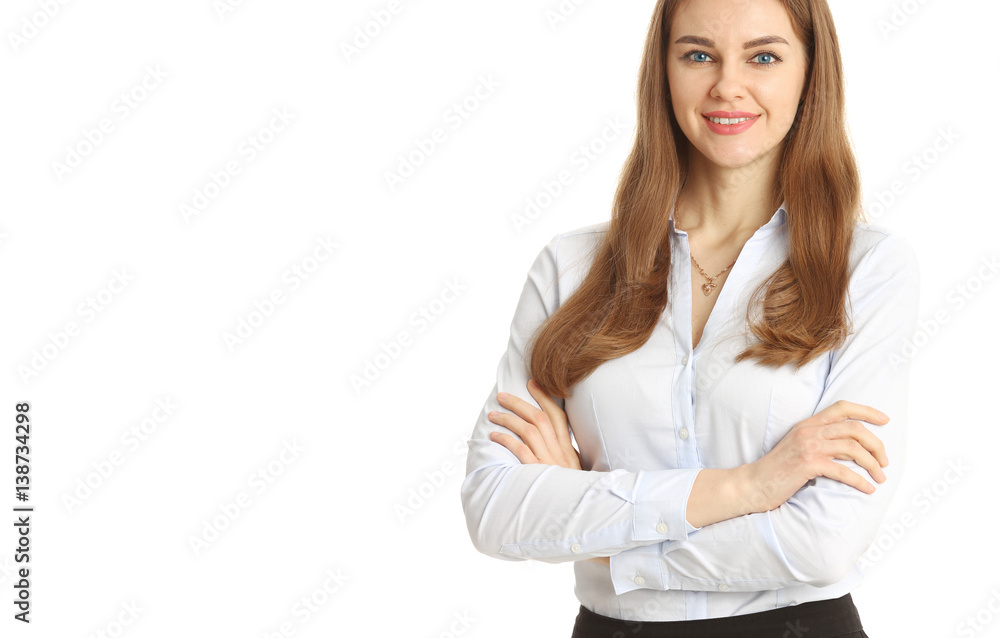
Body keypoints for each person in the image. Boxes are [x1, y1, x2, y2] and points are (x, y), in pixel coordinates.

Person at [460, 0, 919, 635]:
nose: (728, 85)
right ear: (663, 71)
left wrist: (598, 531)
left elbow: (823, 543)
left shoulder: (866, 270)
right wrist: (750, 487)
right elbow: (496, 510)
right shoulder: (569, 271)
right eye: (698, 55)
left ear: (810, 72)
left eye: (763, 57)